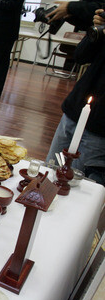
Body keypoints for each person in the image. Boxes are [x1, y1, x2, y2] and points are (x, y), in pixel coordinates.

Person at [46, 10, 105, 185]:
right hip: (75, 109)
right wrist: (96, 29)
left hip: (99, 126)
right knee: (49, 171)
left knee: (76, 183)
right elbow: (80, 56)